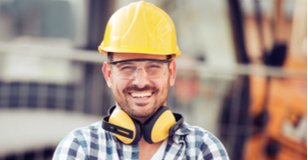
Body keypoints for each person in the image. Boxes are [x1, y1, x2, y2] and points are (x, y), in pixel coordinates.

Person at [53, 1, 229, 159]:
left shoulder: (203, 150)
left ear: (172, 72)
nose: (140, 81)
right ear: (108, 75)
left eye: (153, 67)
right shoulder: (79, 148)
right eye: (126, 67)